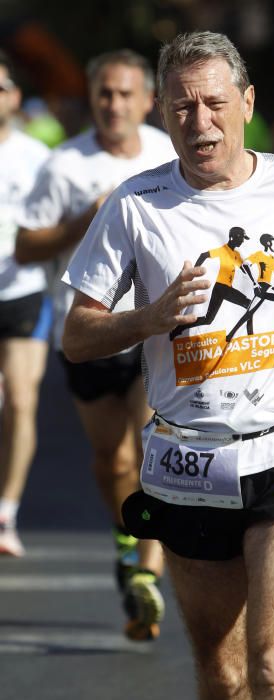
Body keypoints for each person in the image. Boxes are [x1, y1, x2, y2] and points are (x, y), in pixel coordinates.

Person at [61, 31, 274, 698]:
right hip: (189, 465)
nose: (200, 123)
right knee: (223, 673)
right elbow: (77, 336)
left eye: (214, 103)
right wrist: (147, 319)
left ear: (246, 102)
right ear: (161, 111)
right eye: (182, 108)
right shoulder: (134, 205)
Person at [15, 49, 177, 640]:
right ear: (93, 99)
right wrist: (87, 219)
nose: (114, 105)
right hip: (87, 334)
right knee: (113, 463)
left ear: (146, 101)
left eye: (125, 94)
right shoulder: (64, 165)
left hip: (154, 330)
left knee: (152, 452)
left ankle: (146, 574)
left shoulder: (168, 154)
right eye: (104, 94)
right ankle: (125, 538)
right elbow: (28, 248)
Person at [0, 50, 52, 557]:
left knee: (20, 401)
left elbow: (57, 225)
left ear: (14, 97)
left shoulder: (37, 156)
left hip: (22, 292)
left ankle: (6, 512)